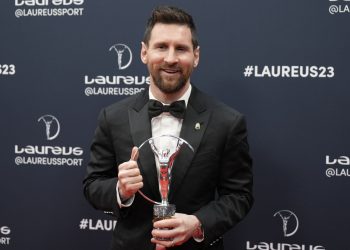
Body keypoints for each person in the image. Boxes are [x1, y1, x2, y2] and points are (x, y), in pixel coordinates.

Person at [83, 5, 253, 250]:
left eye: (181, 49)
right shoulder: (113, 116)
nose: (171, 58)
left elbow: (240, 196)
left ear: (196, 55)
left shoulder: (227, 121)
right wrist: (120, 190)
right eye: (161, 46)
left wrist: (198, 223)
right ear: (144, 52)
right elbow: (93, 185)